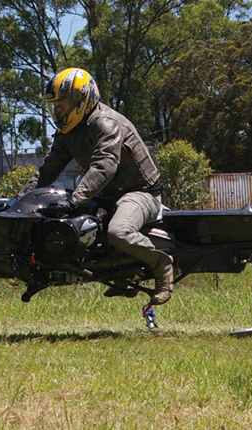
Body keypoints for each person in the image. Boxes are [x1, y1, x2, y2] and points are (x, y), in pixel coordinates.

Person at [26, 67, 174, 305]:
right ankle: (119, 274)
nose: (57, 112)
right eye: (54, 106)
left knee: (119, 232)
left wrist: (75, 199)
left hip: (139, 192)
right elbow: (49, 169)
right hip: (105, 195)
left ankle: (162, 266)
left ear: (80, 100)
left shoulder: (106, 123)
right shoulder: (68, 131)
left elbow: (104, 167)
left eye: (61, 105)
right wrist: (23, 201)